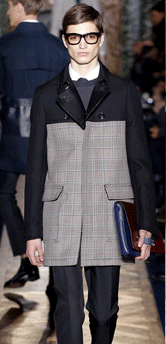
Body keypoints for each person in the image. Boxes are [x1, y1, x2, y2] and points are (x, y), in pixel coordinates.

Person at [24, 4, 158, 344]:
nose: (82, 45)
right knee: (68, 312)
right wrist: (32, 230)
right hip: (61, 214)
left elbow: (140, 162)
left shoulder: (123, 91)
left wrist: (146, 225)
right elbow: (36, 166)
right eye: (74, 37)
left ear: (101, 38)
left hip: (108, 212)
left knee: (103, 310)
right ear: (64, 40)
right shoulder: (47, 95)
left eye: (90, 36)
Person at [0, 0, 68, 294]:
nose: (7, 12)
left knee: (4, 194)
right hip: (50, 134)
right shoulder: (58, 47)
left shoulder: (4, 45)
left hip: (11, 134)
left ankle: (27, 260)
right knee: (49, 202)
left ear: (18, 6)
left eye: (8, 6)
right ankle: (54, 277)